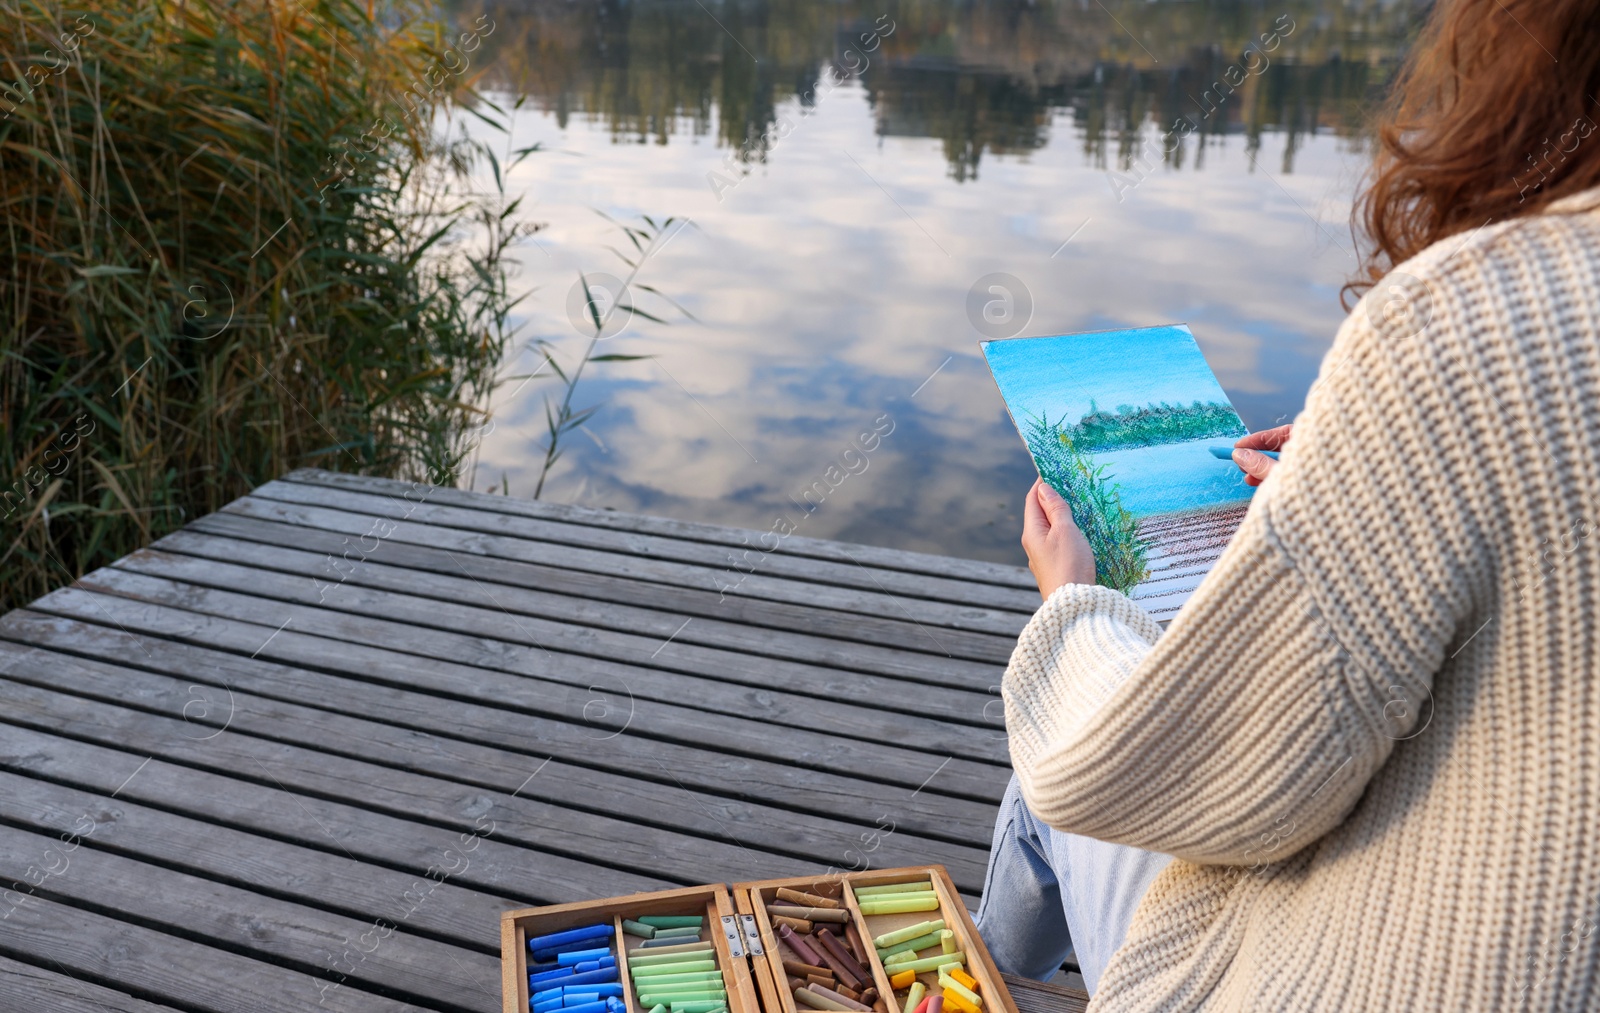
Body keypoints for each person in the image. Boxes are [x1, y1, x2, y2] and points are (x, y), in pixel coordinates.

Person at [973, 0, 1600, 1008]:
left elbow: (1200, 777)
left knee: (1068, 718)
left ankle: (985, 977)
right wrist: (1365, 470)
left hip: (1384, 971)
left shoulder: (1479, 317)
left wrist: (1066, 605)